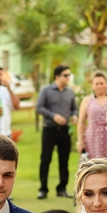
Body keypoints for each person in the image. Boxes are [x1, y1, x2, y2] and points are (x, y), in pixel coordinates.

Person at [36, 65, 77, 199]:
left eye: (69, 75)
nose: (68, 78)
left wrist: (75, 115)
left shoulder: (70, 92)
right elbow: (39, 108)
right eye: (66, 75)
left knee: (64, 160)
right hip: (49, 129)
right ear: (57, 76)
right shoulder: (46, 91)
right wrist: (53, 116)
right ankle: (43, 189)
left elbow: (74, 108)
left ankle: (62, 188)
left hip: (64, 130)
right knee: (45, 159)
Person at [76, 71, 107, 159]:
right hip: (92, 137)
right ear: (92, 85)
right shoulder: (87, 100)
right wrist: (80, 141)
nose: (99, 86)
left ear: (106, 84)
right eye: (97, 84)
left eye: (101, 83)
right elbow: (81, 122)